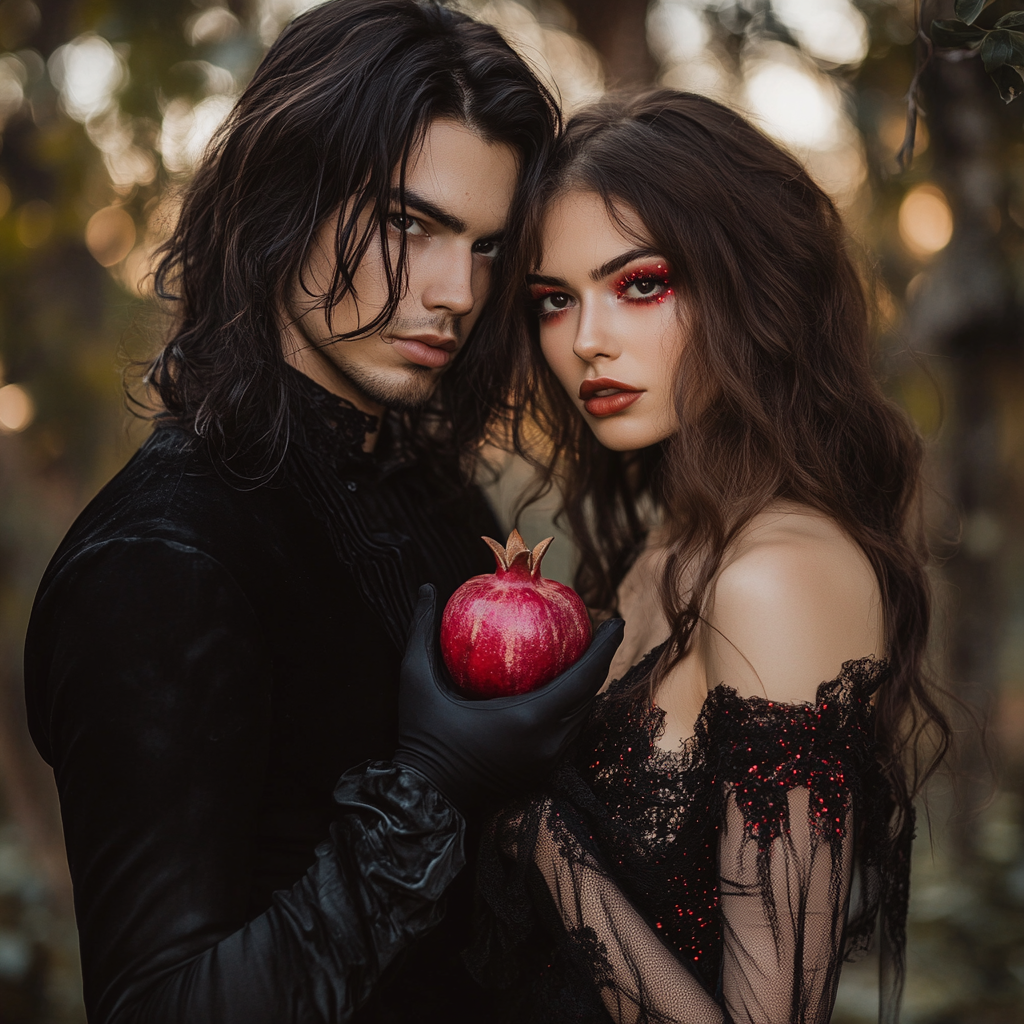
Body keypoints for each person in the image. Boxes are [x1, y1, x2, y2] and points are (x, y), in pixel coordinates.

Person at [23, 3, 623, 1022]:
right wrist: (428, 785)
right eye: (407, 224)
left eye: (486, 247)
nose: (454, 293)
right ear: (280, 198)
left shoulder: (430, 485)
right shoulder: (163, 558)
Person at [472, 91, 953, 1024]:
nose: (587, 342)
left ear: (747, 282)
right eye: (555, 301)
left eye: (640, 284)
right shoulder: (667, 547)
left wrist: (536, 836)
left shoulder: (776, 576)